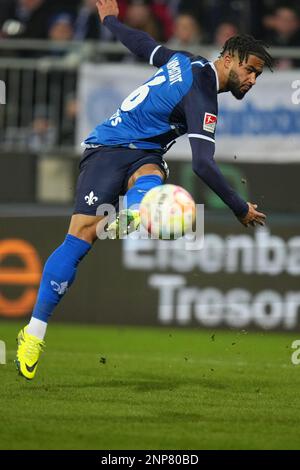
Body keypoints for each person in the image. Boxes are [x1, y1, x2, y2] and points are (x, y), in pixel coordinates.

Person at [16, 0, 272, 380]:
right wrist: (239, 207)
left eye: (258, 76)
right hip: (109, 148)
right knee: (81, 237)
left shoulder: (185, 59)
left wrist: (110, 21)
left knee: (152, 172)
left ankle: (138, 208)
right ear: (230, 58)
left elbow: (142, 45)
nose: (251, 80)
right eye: (250, 70)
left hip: (144, 152)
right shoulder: (202, 90)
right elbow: (202, 164)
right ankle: (34, 332)